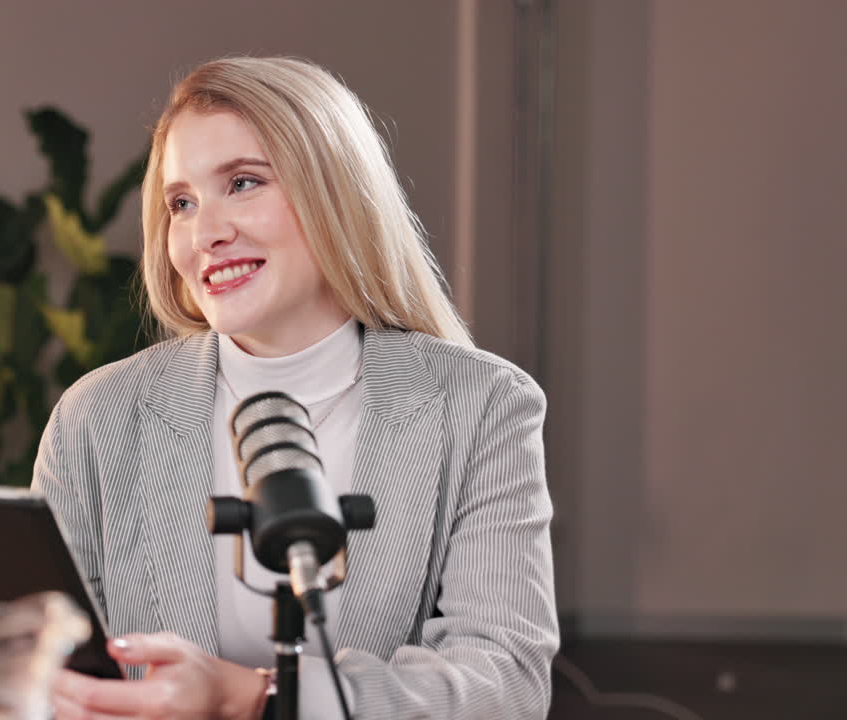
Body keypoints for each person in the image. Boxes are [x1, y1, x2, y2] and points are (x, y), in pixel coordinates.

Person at [33, 56, 557, 719]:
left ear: (333, 192)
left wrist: (252, 697)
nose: (205, 234)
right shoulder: (95, 417)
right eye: (182, 203)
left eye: (244, 183)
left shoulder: (483, 408)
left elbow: (504, 686)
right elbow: (44, 666)